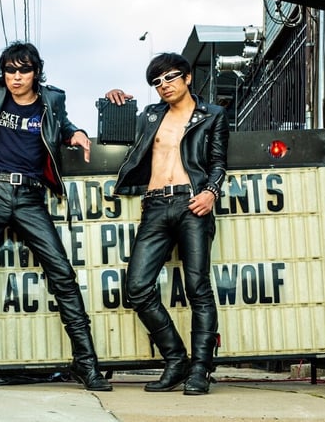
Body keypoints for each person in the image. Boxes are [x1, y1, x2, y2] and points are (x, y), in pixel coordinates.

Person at [0, 41, 112, 392]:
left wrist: (77, 135)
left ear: (36, 72)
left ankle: (87, 365)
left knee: (63, 274)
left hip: (30, 195)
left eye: (23, 70)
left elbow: (64, 126)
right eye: (10, 70)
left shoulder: (52, 100)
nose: (15, 77)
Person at [105, 52, 229, 395]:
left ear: (187, 78)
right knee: (137, 287)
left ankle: (201, 369)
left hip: (192, 204)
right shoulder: (150, 115)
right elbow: (114, 133)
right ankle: (176, 360)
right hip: (156, 205)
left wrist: (211, 192)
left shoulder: (212, 115)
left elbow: (219, 161)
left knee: (198, 288)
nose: (164, 85)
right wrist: (116, 103)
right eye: (157, 81)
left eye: (170, 77)